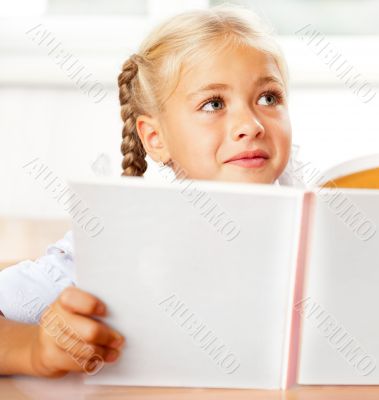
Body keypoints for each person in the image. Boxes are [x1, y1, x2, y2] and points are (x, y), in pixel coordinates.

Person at [0, 3, 303, 377]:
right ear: (155, 138)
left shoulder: (313, 230)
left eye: (269, 98)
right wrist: (34, 351)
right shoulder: (118, 240)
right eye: (213, 103)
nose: (251, 124)